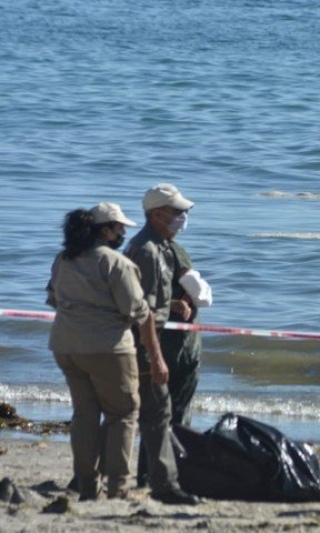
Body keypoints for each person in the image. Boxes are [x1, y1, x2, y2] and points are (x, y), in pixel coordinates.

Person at [46, 203, 163, 501]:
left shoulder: (64, 259)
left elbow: (53, 299)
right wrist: (155, 354)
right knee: (123, 413)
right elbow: (138, 312)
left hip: (66, 344)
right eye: (119, 226)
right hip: (108, 347)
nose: (124, 231)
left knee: (84, 416)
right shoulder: (115, 263)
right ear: (106, 229)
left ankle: (87, 486)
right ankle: (119, 488)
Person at [124, 183, 199, 505]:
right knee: (161, 415)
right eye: (177, 212)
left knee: (169, 412)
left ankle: (163, 475)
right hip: (160, 343)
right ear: (157, 214)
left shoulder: (164, 245)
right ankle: (158, 479)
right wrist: (156, 355)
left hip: (176, 342)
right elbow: (141, 305)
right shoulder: (146, 249)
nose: (183, 217)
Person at [160, 239, 212, 426]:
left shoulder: (137, 247)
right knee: (179, 407)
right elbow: (202, 294)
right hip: (179, 342)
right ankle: (175, 452)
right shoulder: (173, 250)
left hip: (152, 339)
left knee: (155, 408)